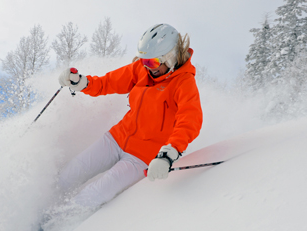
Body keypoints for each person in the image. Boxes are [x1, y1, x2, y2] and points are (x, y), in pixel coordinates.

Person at [56, 23, 203, 209]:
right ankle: (39, 210)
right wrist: (82, 83)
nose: (148, 67)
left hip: (141, 157)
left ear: (171, 58)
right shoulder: (141, 70)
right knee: (69, 175)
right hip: (116, 138)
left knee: (92, 195)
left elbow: (190, 120)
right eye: (144, 61)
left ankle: (53, 228)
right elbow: (107, 83)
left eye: (153, 62)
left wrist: (169, 153)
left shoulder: (184, 83)